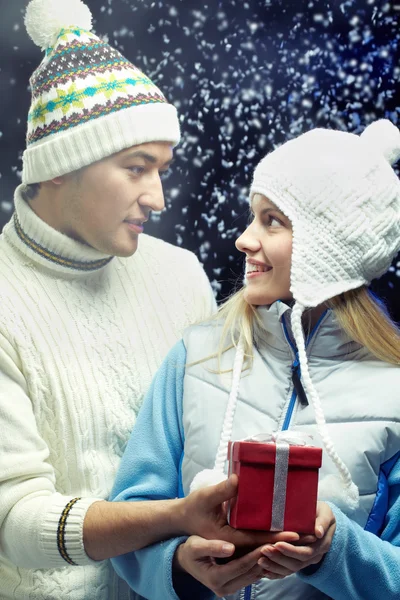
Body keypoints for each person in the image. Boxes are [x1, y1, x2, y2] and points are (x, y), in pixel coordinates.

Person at [0, 1, 298, 598]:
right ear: (61, 167)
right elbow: (12, 521)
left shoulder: (180, 274)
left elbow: (217, 438)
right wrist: (173, 519)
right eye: (137, 168)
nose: (158, 198)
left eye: (162, 168)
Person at [111, 118, 400, 600]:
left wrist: (335, 551)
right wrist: (179, 564)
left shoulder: (394, 388)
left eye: (273, 221)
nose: (245, 239)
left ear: (329, 248)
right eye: (253, 216)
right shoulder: (196, 356)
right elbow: (130, 517)